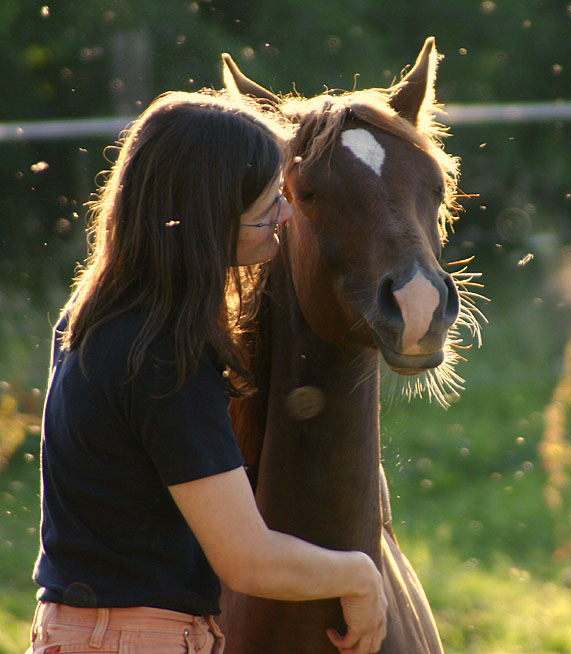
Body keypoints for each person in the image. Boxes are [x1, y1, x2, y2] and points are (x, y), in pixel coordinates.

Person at [27, 91, 387, 654]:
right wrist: (360, 576)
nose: (286, 217)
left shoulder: (96, 316)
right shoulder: (164, 353)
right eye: (271, 204)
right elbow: (248, 559)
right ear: (211, 214)